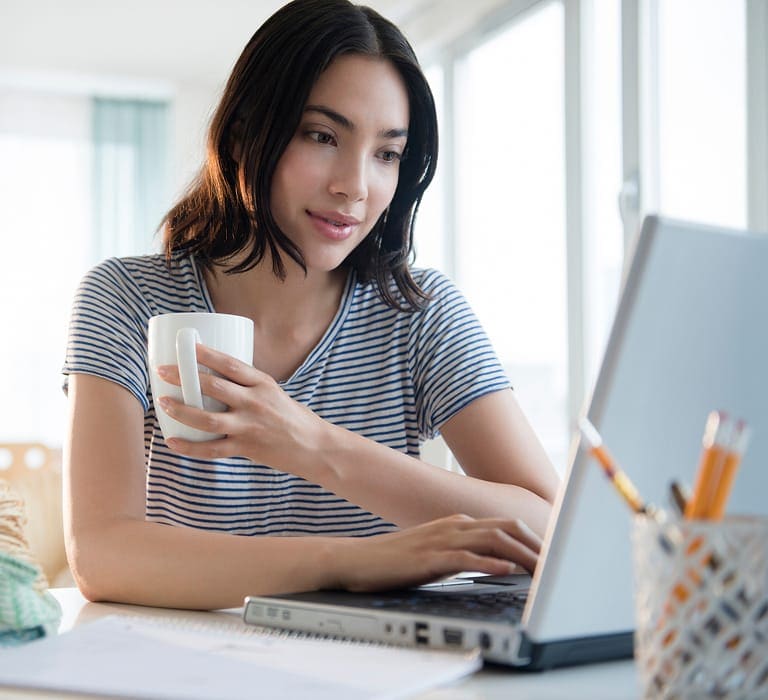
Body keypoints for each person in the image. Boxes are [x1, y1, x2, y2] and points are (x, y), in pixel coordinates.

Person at [63, 0, 560, 610]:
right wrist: (347, 563)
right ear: (245, 134)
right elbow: (104, 555)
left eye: (387, 154)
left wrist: (310, 443)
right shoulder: (126, 299)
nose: (354, 184)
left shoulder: (420, 315)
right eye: (322, 136)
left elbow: (549, 526)